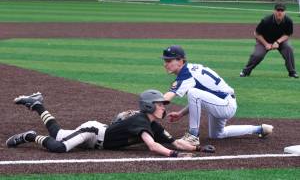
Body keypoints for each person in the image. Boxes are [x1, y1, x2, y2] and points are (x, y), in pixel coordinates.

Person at [6, 90, 206, 157]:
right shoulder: (139, 120)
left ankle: (38, 105)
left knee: (58, 133)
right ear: (148, 106)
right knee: (59, 146)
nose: (164, 107)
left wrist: (199, 148)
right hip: (93, 132)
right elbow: (153, 146)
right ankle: (31, 135)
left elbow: (176, 142)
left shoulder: (154, 125)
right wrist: (175, 155)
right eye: (160, 104)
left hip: (98, 139)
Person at [161, 45, 273, 146]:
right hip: (220, 102)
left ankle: (193, 135)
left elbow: (168, 97)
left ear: (180, 61)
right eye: (165, 61)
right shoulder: (191, 69)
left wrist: (148, 106)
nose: (165, 64)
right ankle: (260, 129)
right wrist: (181, 114)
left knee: (193, 93)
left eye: (169, 60)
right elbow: (199, 99)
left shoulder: (186, 74)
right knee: (217, 134)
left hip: (225, 105)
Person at [240, 3, 298, 78]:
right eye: (278, 10)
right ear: (274, 11)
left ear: (285, 12)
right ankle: (245, 71)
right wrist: (266, 44)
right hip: (264, 40)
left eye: (282, 10)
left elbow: (287, 34)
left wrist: (277, 42)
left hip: (280, 41)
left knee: (288, 48)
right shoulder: (266, 20)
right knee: (257, 55)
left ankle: (292, 72)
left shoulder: (288, 21)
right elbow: (257, 34)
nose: (280, 12)